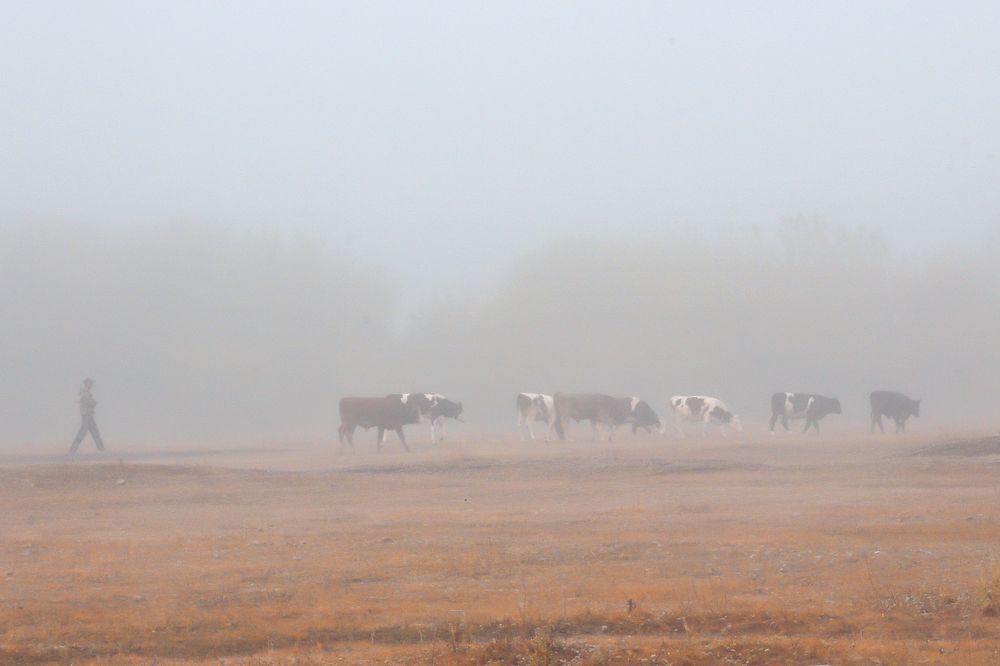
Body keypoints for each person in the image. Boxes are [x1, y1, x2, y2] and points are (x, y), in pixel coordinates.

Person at [69, 378, 104, 454]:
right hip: (86, 414)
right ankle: (73, 449)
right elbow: (89, 402)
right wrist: (93, 403)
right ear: (87, 384)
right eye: (90, 383)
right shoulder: (85, 392)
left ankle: (101, 449)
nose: (91, 385)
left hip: (88, 414)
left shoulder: (85, 392)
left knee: (94, 430)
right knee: (83, 431)